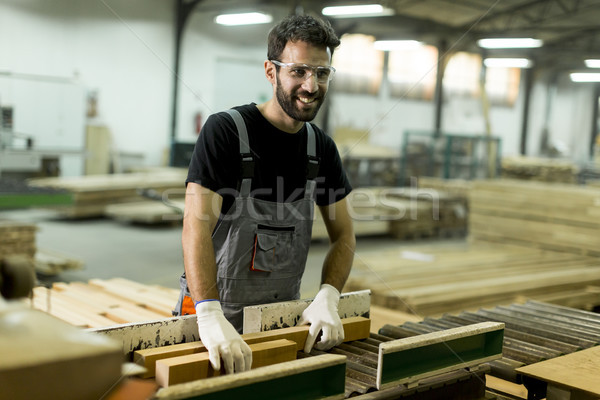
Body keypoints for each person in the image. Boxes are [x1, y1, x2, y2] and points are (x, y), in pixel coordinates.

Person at [174, 14, 355, 375]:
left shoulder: (321, 149)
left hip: (278, 323)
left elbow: (344, 236)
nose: (311, 85)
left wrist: (328, 294)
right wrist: (209, 313)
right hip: (212, 328)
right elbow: (195, 226)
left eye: (322, 73)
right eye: (299, 71)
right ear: (271, 72)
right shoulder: (226, 132)